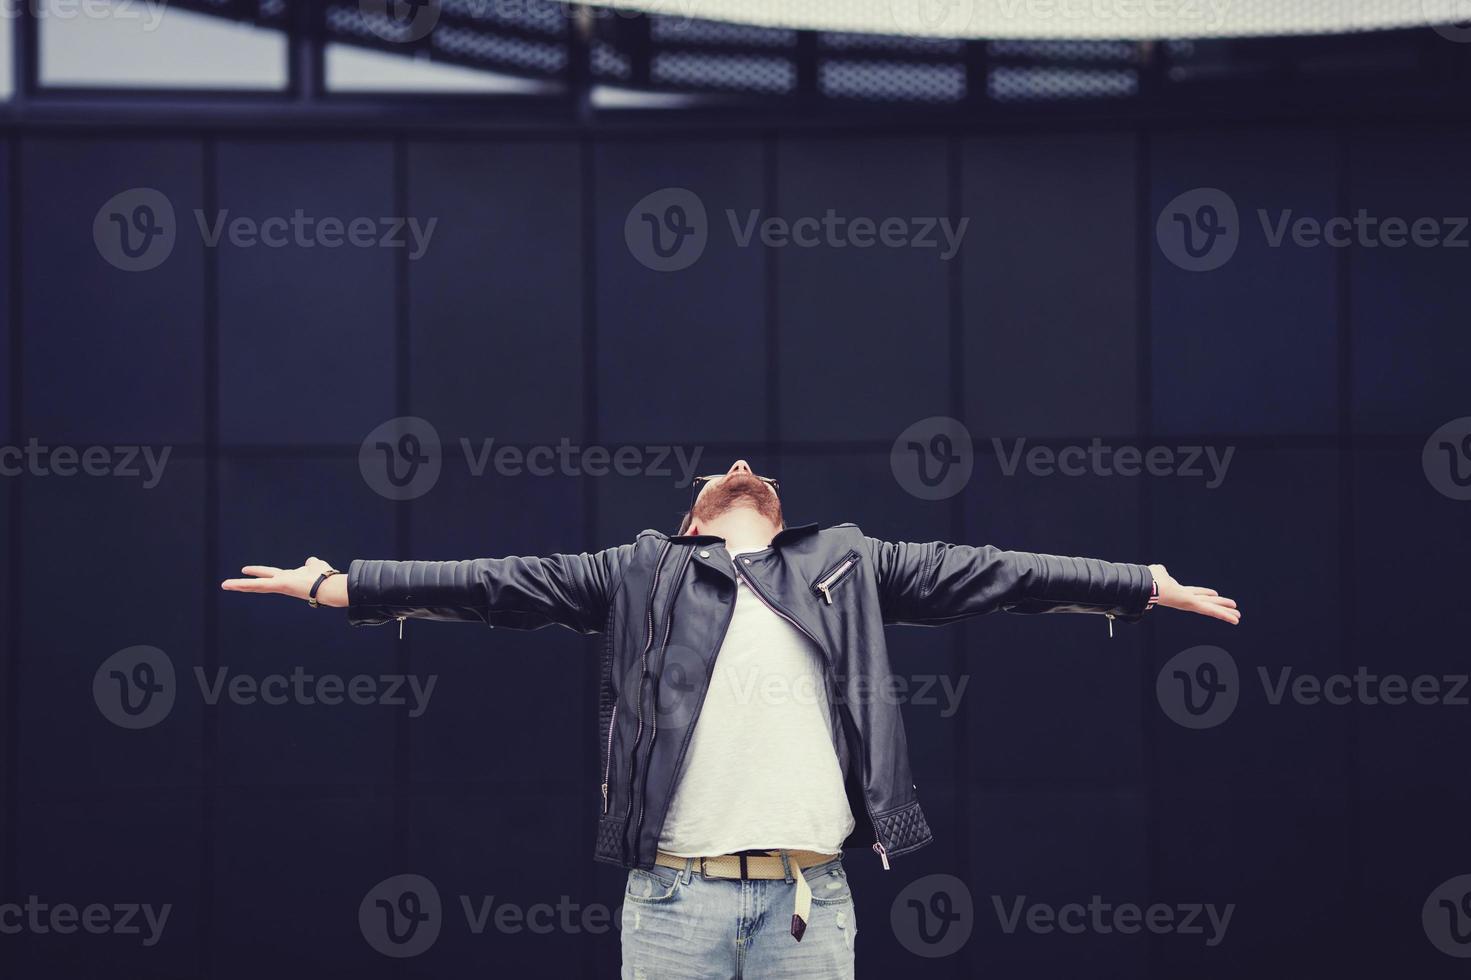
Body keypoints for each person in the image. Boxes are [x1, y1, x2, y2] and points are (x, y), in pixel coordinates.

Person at [222, 458, 1239, 979]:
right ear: (693, 520)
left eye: (754, 476)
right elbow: (497, 582)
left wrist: (1140, 582)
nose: (740, 465)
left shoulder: (846, 558)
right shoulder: (641, 571)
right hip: (676, 903)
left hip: (811, 899)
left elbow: (1001, 574)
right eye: (716, 481)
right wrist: (340, 586)